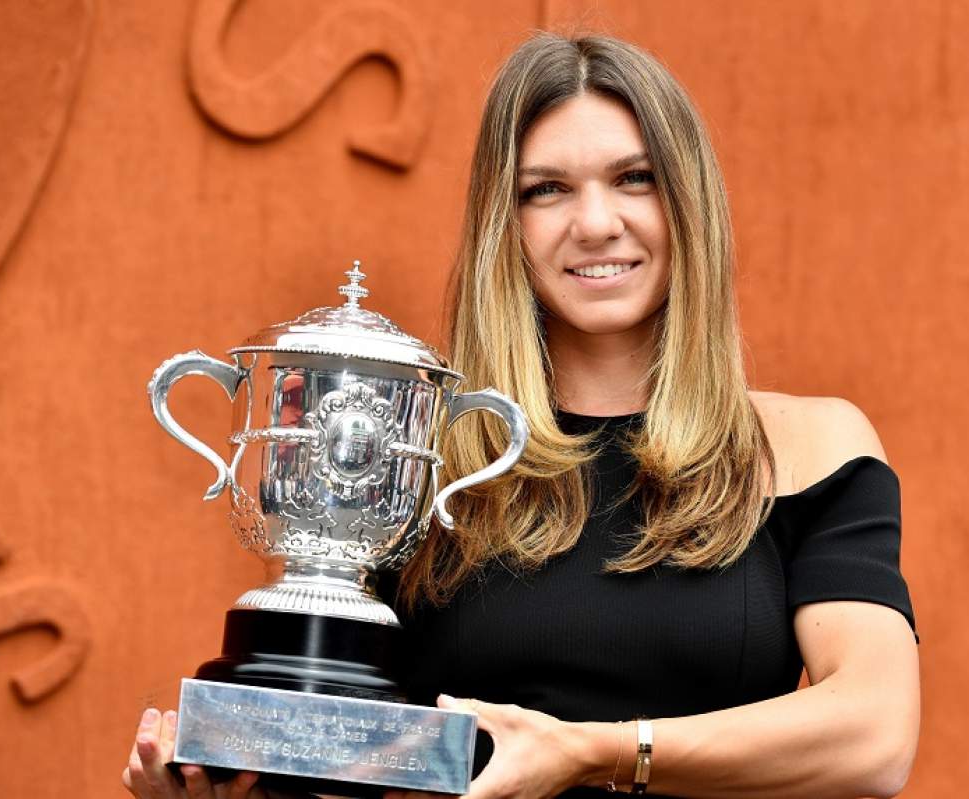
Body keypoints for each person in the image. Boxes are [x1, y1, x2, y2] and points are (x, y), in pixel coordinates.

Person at [123, 32, 919, 799]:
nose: (597, 223)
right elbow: (356, 752)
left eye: (634, 178)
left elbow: (876, 735)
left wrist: (591, 751)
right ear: (506, 226)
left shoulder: (807, 447)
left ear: (689, 202)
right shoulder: (426, 457)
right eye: (547, 189)